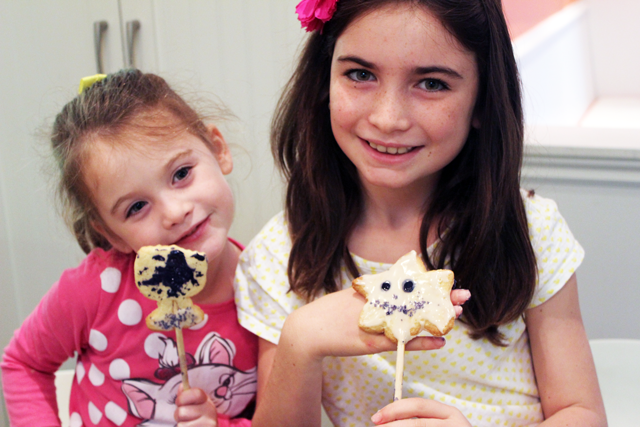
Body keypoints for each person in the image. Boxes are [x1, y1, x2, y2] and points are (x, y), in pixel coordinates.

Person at [234, 0, 606, 426]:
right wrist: (300, 338)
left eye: (431, 83)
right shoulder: (277, 256)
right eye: (360, 75)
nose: (388, 118)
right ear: (323, 81)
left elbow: (582, 413)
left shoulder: (532, 229)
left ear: (483, 100)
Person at [1, 69, 258, 427]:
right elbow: (23, 363)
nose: (174, 212)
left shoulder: (266, 292)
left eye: (181, 174)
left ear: (218, 149)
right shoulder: (96, 288)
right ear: (112, 234)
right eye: (136, 208)